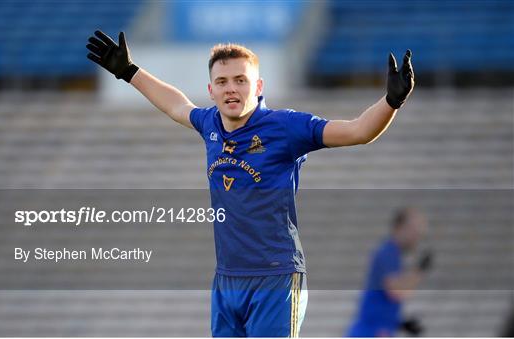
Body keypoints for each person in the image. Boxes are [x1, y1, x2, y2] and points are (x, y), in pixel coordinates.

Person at [86, 30, 415, 337]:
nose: (232, 88)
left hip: (275, 276)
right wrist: (129, 71)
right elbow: (176, 105)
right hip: (227, 280)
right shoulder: (210, 122)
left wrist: (391, 102)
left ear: (258, 87)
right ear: (212, 90)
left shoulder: (285, 127)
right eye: (223, 81)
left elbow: (358, 131)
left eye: (241, 80)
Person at [346, 207, 433, 337]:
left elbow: (384, 300)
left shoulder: (394, 255)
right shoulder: (389, 252)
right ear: (400, 227)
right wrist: (419, 271)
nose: (417, 236)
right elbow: (396, 292)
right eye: (414, 230)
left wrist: (399, 323)